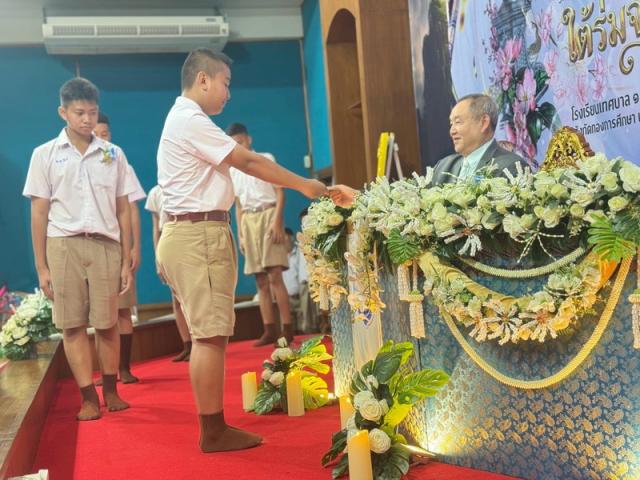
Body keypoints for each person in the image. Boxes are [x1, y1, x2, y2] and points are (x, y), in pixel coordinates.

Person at [155, 48, 326, 453]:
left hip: (191, 233)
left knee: (208, 334)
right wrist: (305, 184)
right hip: (197, 236)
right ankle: (213, 431)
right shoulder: (190, 119)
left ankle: (213, 427)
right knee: (210, 336)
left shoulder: (181, 118)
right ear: (202, 79)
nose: (228, 93)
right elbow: (247, 162)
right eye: (225, 83)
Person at [23, 77, 133, 421]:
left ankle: (111, 390)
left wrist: (126, 258)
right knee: (71, 326)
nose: (87, 119)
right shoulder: (44, 154)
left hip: (106, 245)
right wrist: (41, 266)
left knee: (108, 323)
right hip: (63, 245)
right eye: (79, 113)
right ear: (63, 112)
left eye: (93, 112)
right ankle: (88, 398)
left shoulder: (113, 154)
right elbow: (39, 212)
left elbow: (123, 209)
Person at [328, 93, 526, 207]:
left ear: (484, 122)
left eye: (458, 122)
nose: (452, 130)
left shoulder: (510, 167)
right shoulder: (446, 165)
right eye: (451, 123)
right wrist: (359, 197)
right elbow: (410, 195)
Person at [227, 123, 293, 347]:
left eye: (240, 141)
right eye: (234, 143)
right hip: (248, 219)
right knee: (260, 280)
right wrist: (241, 234)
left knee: (275, 275)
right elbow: (237, 205)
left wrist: (277, 222)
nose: (238, 145)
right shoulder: (232, 170)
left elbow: (280, 191)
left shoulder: (265, 158)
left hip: (268, 214)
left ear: (249, 139)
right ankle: (269, 329)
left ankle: (287, 328)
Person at [94, 112, 145, 383]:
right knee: (99, 314)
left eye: (105, 134)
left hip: (118, 246)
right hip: (93, 247)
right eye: (96, 134)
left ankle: (124, 368)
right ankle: (106, 372)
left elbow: (132, 209)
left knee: (123, 309)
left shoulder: (118, 160)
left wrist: (134, 246)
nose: (100, 139)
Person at [145, 185, 192, 362]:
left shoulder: (183, 186)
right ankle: (187, 345)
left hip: (185, 235)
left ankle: (198, 342)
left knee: (190, 295)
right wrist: (158, 258)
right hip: (167, 240)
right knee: (176, 297)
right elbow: (155, 229)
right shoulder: (155, 193)